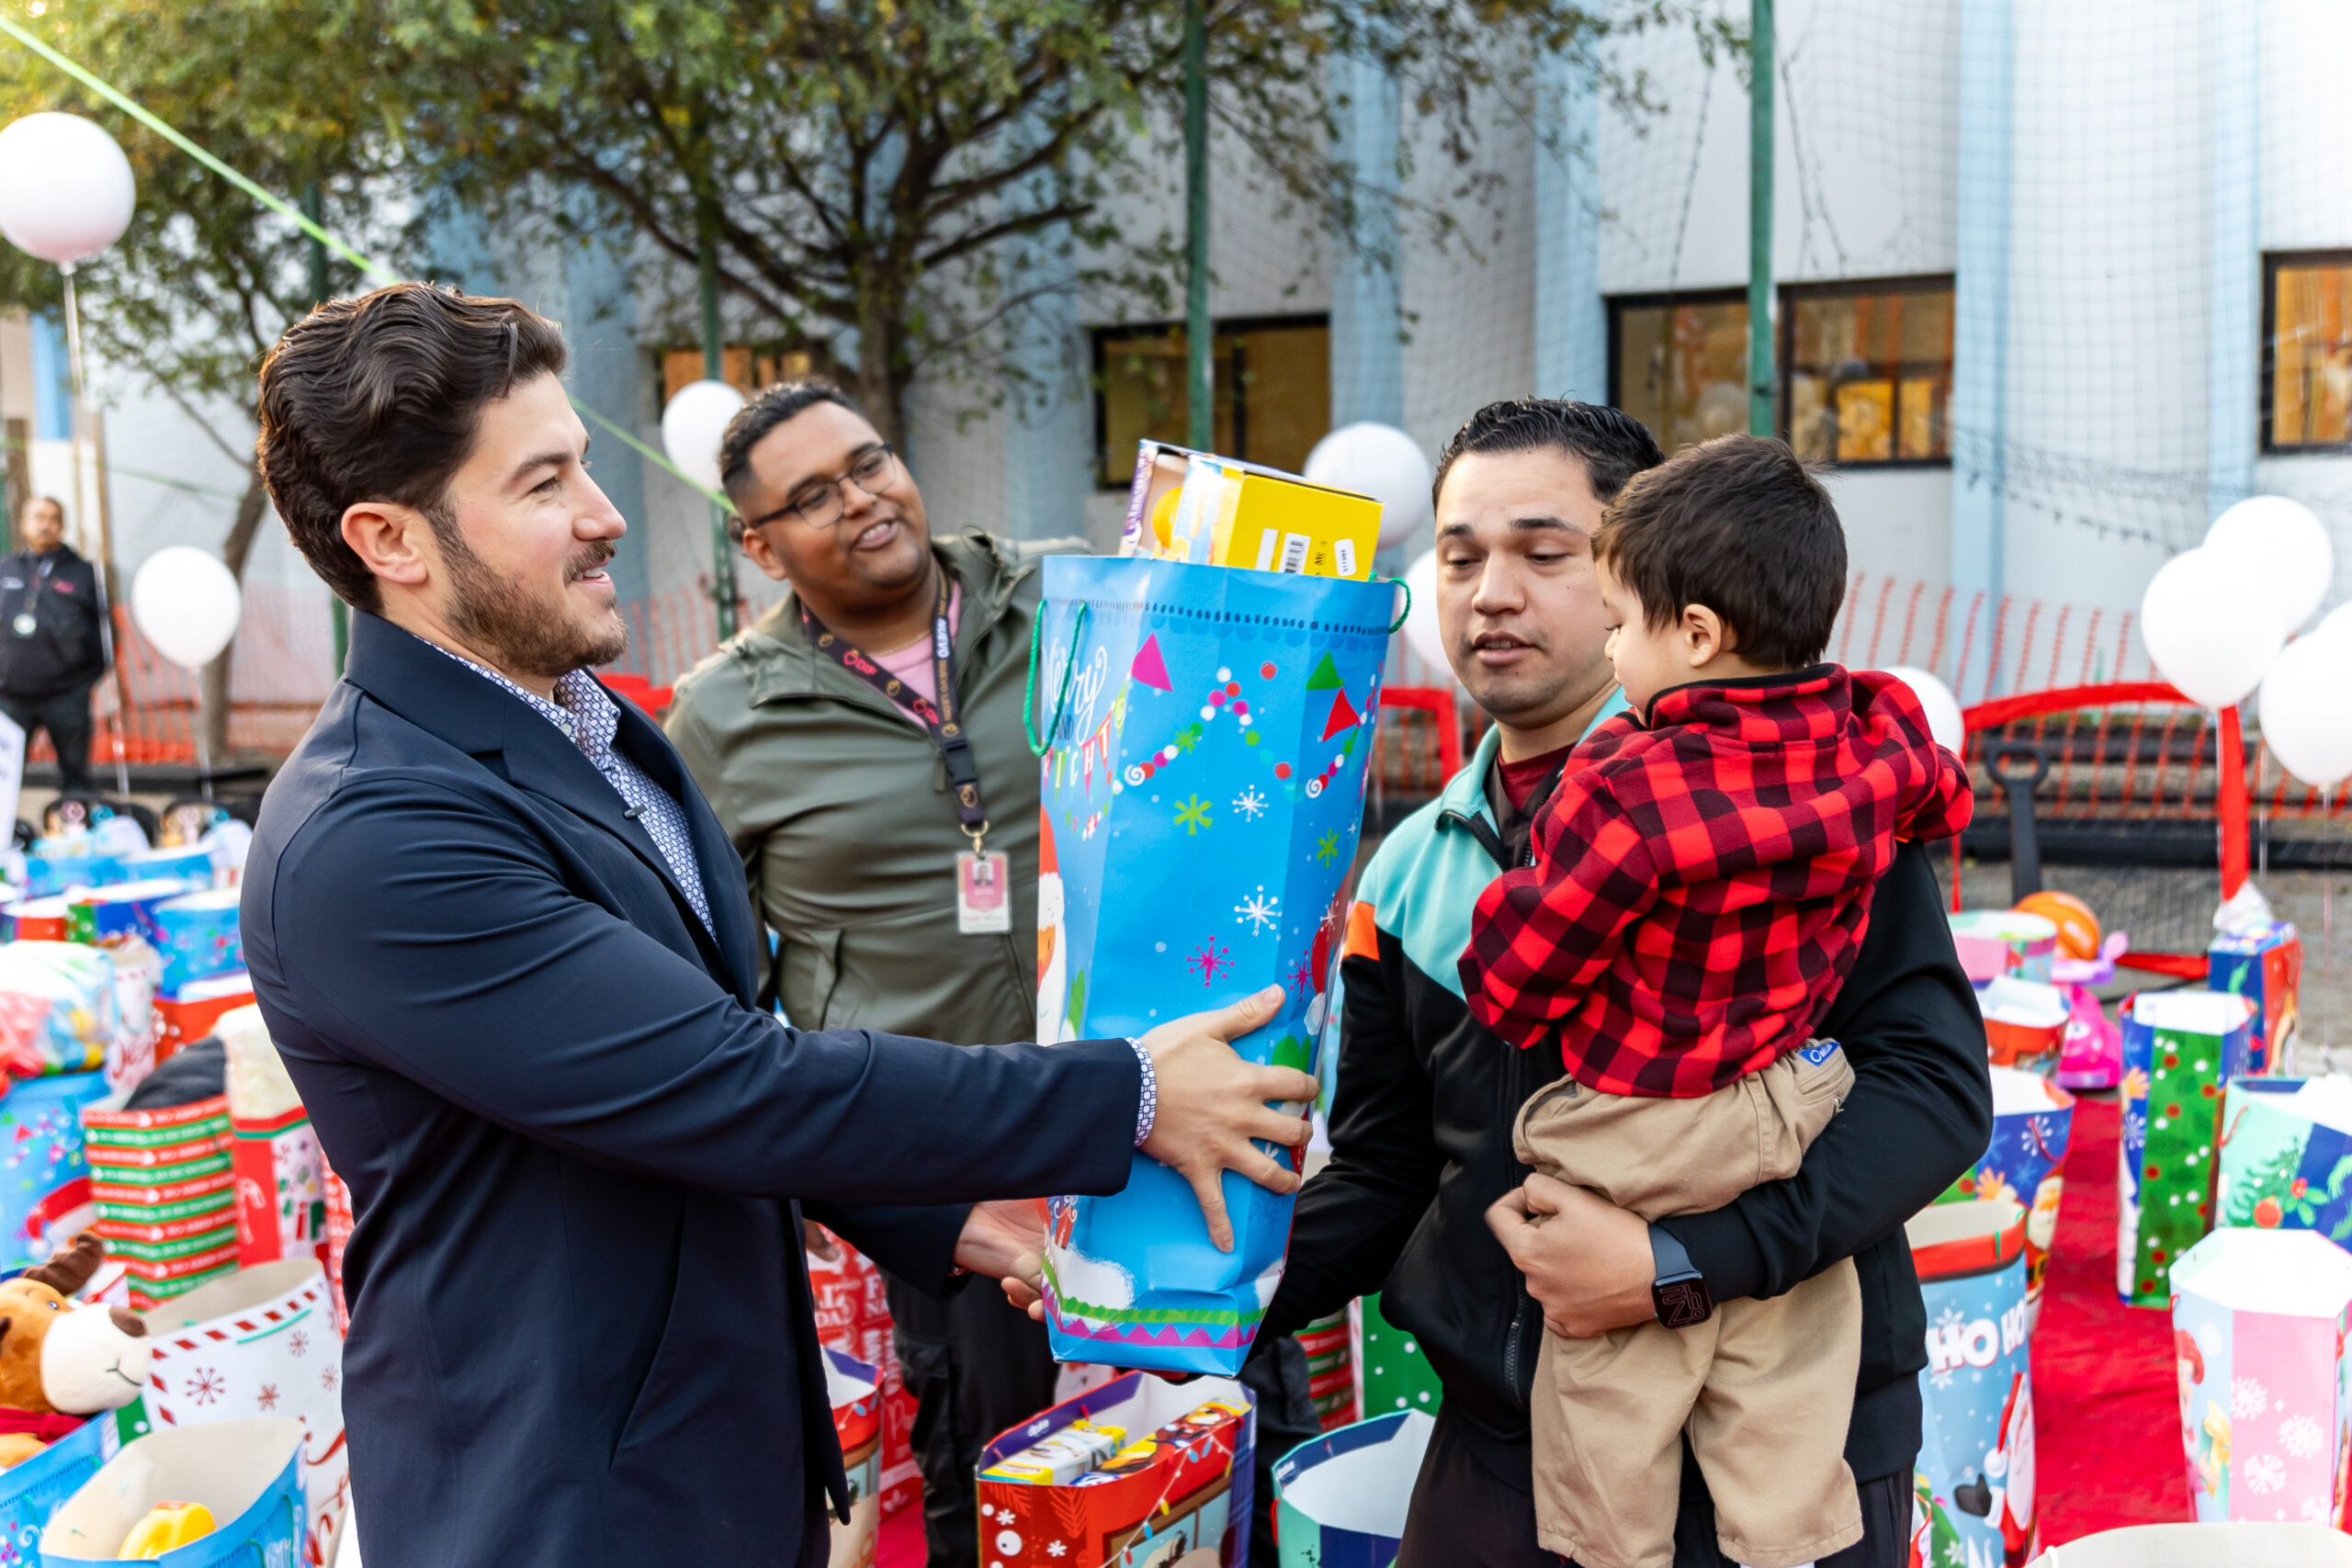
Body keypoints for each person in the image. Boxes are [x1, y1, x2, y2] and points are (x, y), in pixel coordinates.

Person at [239, 284, 1316, 1568]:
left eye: (583, 464)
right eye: (543, 485)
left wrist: (931, 1217)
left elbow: (692, 1051)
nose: (606, 516)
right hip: (569, 1498)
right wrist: (1129, 1092)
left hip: (714, 1454)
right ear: (392, 540)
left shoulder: (589, 725)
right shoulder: (374, 833)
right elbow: (725, 1079)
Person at [1247, 399, 1993, 1567]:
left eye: (1546, 554)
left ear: (1649, 583)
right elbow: (1389, 1170)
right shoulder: (1404, 874)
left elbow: (1934, 1093)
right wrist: (1195, 1298)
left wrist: (1679, 1270)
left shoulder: (1803, 805)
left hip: (1781, 1454)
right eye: (1458, 556)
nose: (1491, 592)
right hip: (1508, 1449)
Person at [665, 378, 1319, 1565]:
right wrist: (803, 1163)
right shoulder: (723, 715)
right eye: (811, 497)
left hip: (1167, 1127)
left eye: (869, 462)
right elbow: (709, 977)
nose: (861, 499)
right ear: (757, 545)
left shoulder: (1081, 598)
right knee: (1016, 1486)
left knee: (1225, 1452)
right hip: (954, 1174)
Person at [1459, 435, 1973, 1568]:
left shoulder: (1621, 786)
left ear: (1691, 631)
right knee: (1791, 1367)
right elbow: (1939, 787)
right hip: (1784, 1106)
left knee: (1604, 1418)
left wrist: (1668, 1267)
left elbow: (1512, 981)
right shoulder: (1868, 756)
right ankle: (1789, 1533)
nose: (1600, 631)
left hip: (1638, 1133)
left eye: (1589, 588)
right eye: (1461, 555)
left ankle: (1616, 1550)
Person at [0, 495, 107, 792]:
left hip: (66, 695)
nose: (44, 525)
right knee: (3, 780)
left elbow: (105, 634)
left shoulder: (84, 573)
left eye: (51, 518)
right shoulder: (6, 568)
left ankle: (75, 830)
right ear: (23, 524)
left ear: (62, 525)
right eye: (37, 517)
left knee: (76, 778)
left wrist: (83, 682)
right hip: (10, 697)